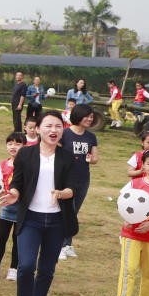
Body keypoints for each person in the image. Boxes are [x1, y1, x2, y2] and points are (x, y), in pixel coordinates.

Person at [0, 110, 77, 296]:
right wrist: (14, 194)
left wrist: (61, 193)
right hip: (30, 218)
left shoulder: (67, 157)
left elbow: (73, 188)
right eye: (48, 126)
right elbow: (17, 182)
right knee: (25, 266)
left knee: (47, 268)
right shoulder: (26, 154)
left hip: (56, 220)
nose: (53, 130)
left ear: (63, 130)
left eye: (58, 126)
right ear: (38, 129)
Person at [0, 132, 26, 281]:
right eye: (10, 143)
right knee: (1, 237)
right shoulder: (2, 165)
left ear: (25, 146)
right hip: (7, 207)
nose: (13, 147)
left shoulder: (28, 165)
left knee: (17, 239)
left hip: (23, 208)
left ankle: (14, 268)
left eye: (18, 144)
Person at [58, 103, 98, 259]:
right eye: (87, 116)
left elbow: (95, 159)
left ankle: (67, 245)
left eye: (92, 117)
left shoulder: (91, 137)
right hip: (66, 180)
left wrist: (90, 158)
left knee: (73, 213)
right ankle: (61, 246)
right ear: (78, 115)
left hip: (83, 179)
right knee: (67, 212)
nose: (90, 119)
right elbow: (56, 154)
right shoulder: (64, 133)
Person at [116, 149, 149, 296]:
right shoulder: (134, 184)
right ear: (143, 165)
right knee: (129, 270)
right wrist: (126, 219)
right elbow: (122, 202)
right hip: (132, 235)